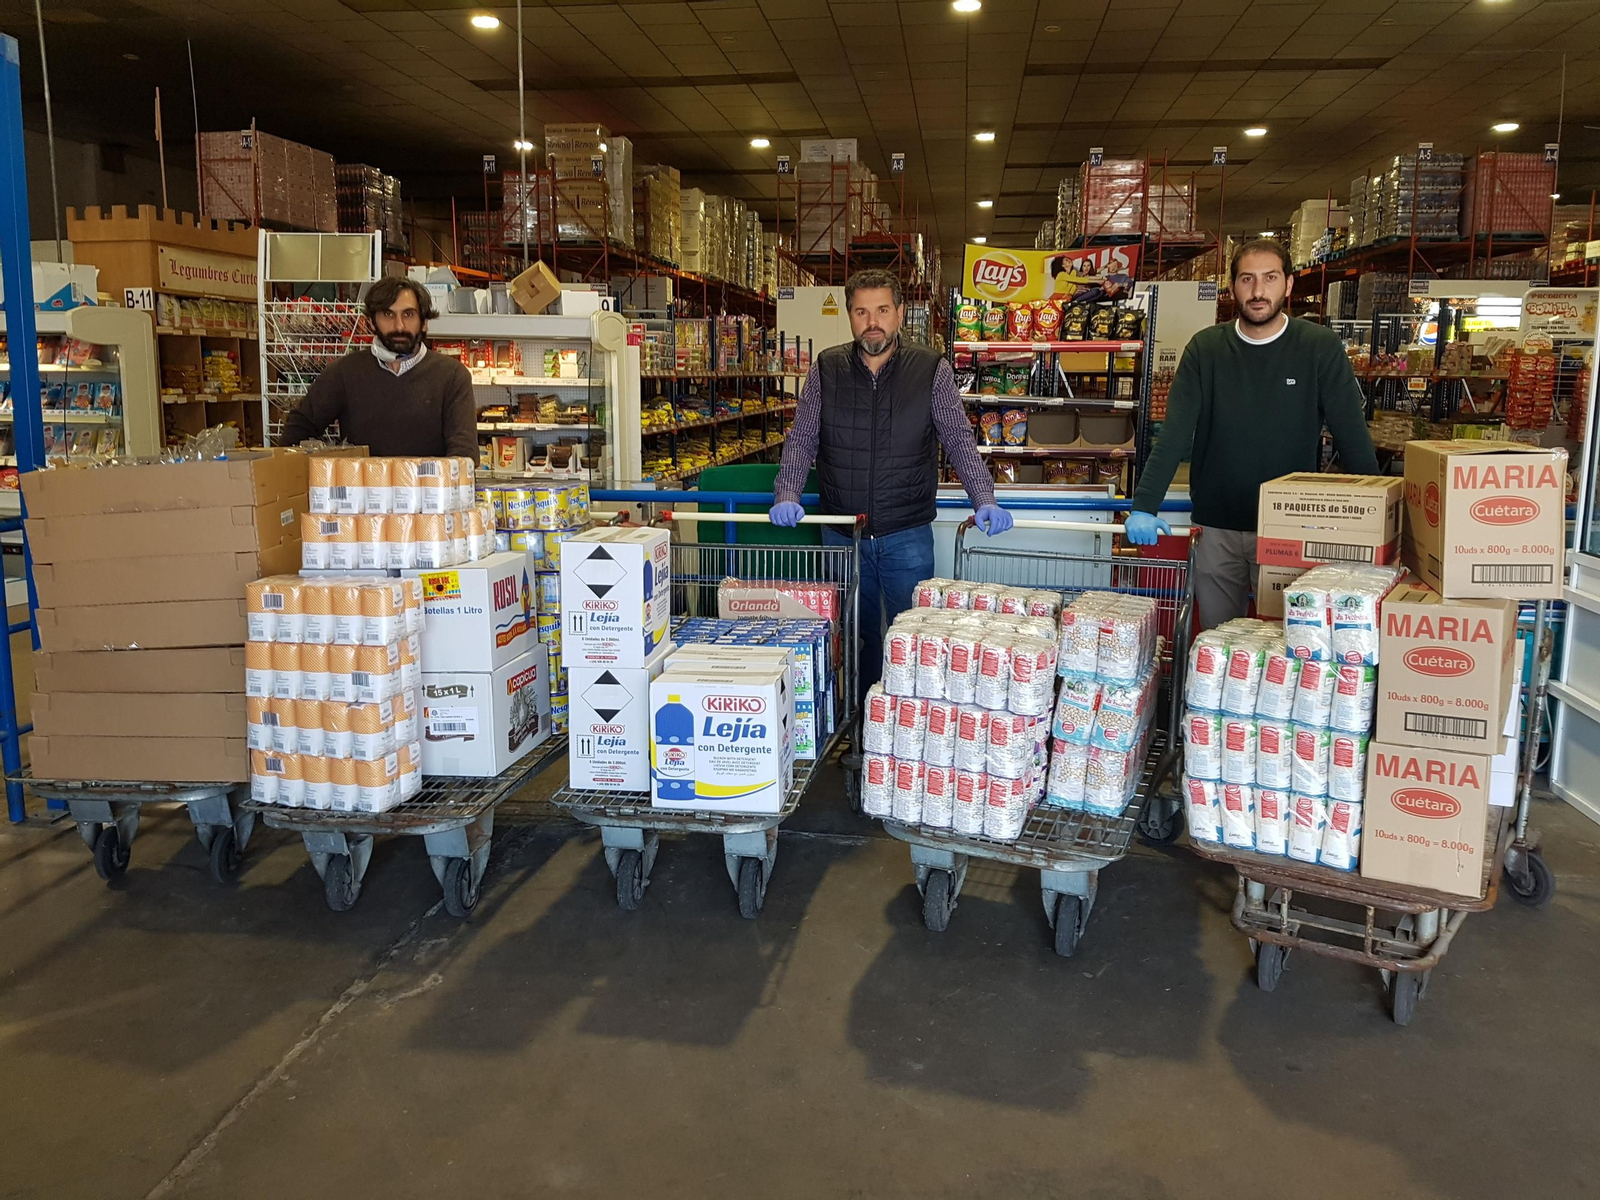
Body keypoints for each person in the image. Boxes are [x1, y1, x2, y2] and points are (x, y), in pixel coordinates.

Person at [769, 268, 1013, 692]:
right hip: (845, 533)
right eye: (862, 312)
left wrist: (984, 497)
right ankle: (864, 727)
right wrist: (787, 491)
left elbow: (956, 436)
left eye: (882, 309)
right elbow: (804, 435)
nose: (873, 321)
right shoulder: (827, 368)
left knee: (912, 637)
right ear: (849, 316)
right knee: (854, 633)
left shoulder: (930, 368)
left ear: (900, 313)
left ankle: (907, 736)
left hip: (908, 532)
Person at [1125, 238, 1379, 629]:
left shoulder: (1318, 348)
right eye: (1247, 279)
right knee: (1217, 645)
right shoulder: (1205, 350)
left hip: (1291, 528)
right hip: (1216, 526)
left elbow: (1351, 437)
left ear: (1288, 285)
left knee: (1285, 648)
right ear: (1232, 287)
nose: (1258, 291)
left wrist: (1377, 524)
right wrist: (1145, 503)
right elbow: (1174, 433)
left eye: (1270, 278)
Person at [283, 275, 477, 457]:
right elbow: (300, 426)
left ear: (424, 322)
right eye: (388, 314)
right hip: (363, 492)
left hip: (429, 491)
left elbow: (463, 452)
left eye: (408, 314)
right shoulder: (345, 372)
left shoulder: (451, 375)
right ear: (372, 322)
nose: (399, 326)